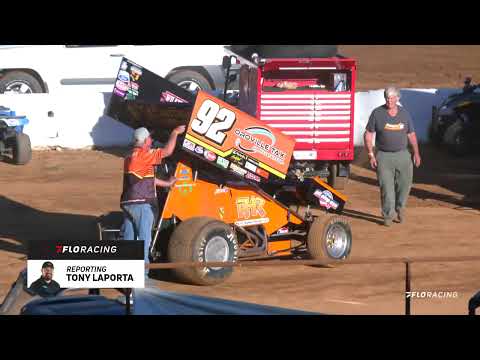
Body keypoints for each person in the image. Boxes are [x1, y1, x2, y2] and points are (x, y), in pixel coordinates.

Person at [121, 125, 186, 278]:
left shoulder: (129, 156)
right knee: (144, 241)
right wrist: (175, 132)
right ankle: (142, 276)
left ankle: (127, 274)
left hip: (128, 204)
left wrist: (167, 183)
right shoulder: (145, 155)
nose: (151, 139)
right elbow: (168, 151)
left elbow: (148, 179)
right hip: (142, 204)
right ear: (144, 142)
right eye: (149, 138)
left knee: (129, 241)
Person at [364, 86, 421, 227]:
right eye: (387, 97)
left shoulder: (404, 114)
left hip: (403, 156)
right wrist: (371, 154)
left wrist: (416, 153)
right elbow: (368, 134)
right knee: (387, 189)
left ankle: (400, 208)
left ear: (397, 98)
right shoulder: (377, 113)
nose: (389, 100)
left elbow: (411, 134)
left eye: (392, 97)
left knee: (404, 186)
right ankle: (388, 216)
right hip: (383, 157)